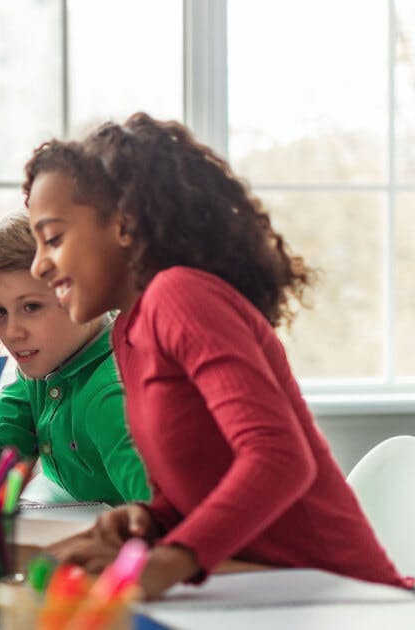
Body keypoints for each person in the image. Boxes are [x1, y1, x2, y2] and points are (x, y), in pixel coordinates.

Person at [27, 113, 406, 598]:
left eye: (54, 238)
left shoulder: (180, 296)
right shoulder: (129, 333)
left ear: (123, 222)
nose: (40, 264)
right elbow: (198, 490)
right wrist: (150, 521)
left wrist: (171, 561)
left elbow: (279, 458)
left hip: (344, 598)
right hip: (264, 593)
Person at [0, 212, 148, 505]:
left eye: (31, 306)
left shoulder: (109, 398)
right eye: (1, 311)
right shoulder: (44, 365)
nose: (12, 332)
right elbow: (10, 435)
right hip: (74, 510)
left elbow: (159, 514)